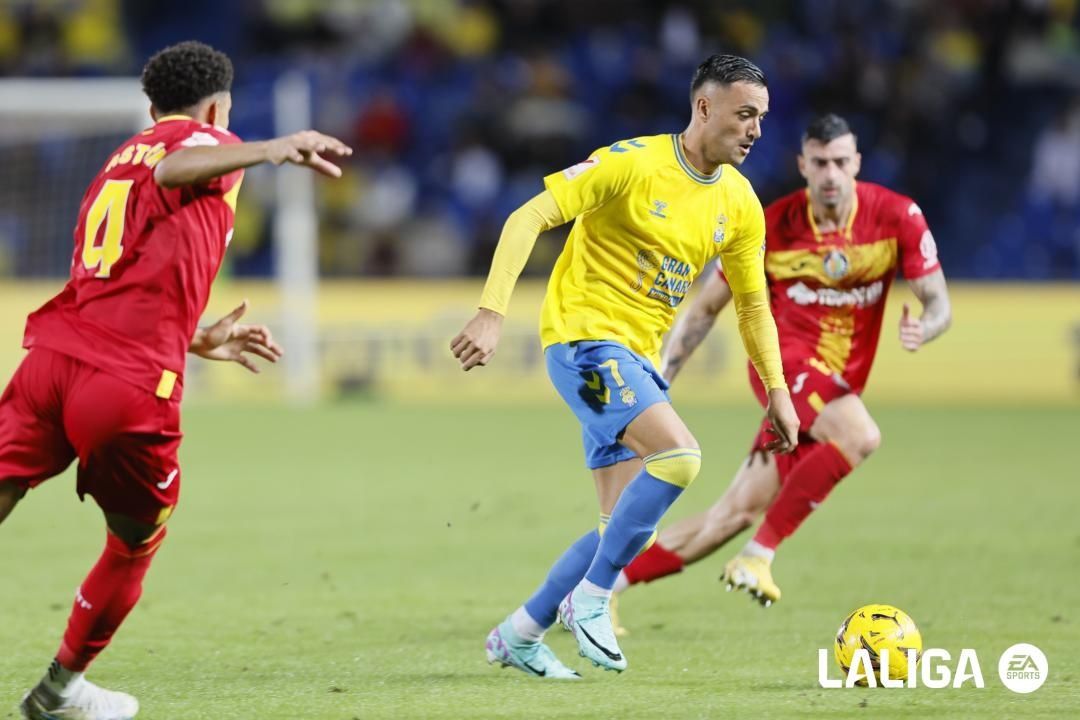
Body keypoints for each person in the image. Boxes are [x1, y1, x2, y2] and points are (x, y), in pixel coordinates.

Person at [0, 41, 351, 720]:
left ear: (150, 105)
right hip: (125, 386)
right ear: (218, 105)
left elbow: (119, 278)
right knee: (134, 541)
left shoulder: (116, 161)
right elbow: (178, 167)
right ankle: (60, 693)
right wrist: (267, 147)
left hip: (53, 361)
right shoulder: (200, 142)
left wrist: (197, 337)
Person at [451, 54, 799, 678]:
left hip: (636, 359)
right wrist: (491, 312)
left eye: (762, 118)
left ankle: (519, 633)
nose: (755, 130)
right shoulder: (631, 162)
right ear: (704, 107)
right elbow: (528, 214)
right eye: (745, 114)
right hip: (584, 341)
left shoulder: (741, 205)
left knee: (624, 528)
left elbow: (752, 305)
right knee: (681, 458)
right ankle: (591, 600)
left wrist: (777, 389)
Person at [614, 113, 952, 614]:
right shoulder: (770, 225)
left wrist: (924, 327)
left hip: (833, 388)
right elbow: (707, 308)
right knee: (861, 436)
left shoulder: (897, 217)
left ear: (857, 162)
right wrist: (662, 378)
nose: (831, 174)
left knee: (731, 515)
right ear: (803, 165)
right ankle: (759, 556)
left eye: (841, 162)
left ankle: (599, 588)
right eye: (820, 163)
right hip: (785, 369)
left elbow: (939, 304)